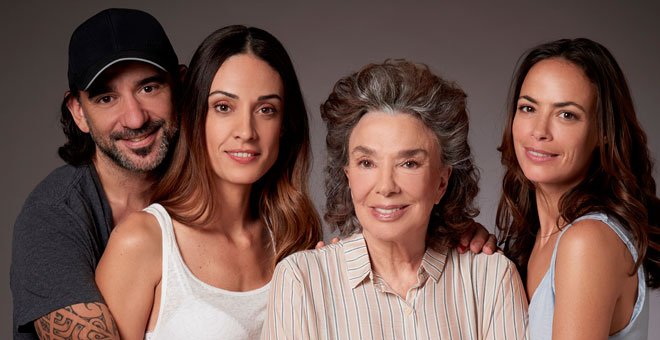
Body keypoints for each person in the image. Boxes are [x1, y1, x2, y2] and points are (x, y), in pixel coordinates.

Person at [263, 60, 529, 339]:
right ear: (348, 176)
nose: (386, 186)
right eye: (367, 162)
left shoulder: (491, 279)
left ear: (441, 182)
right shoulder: (301, 280)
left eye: (409, 163)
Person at [94, 25, 323, 339]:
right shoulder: (143, 242)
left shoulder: (296, 240)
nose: (246, 131)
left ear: (285, 125)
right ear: (195, 115)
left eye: (266, 110)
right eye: (224, 107)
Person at [10, 8, 183, 339]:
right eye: (107, 98)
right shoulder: (52, 217)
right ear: (78, 112)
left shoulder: (212, 192)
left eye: (149, 88)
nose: (134, 118)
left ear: (180, 85)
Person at [496, 38, 660, 339]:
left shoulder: (588, 241)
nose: (539, 131)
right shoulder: (531, 240)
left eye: (566, 114)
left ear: (603, 133)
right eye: (528, 107)